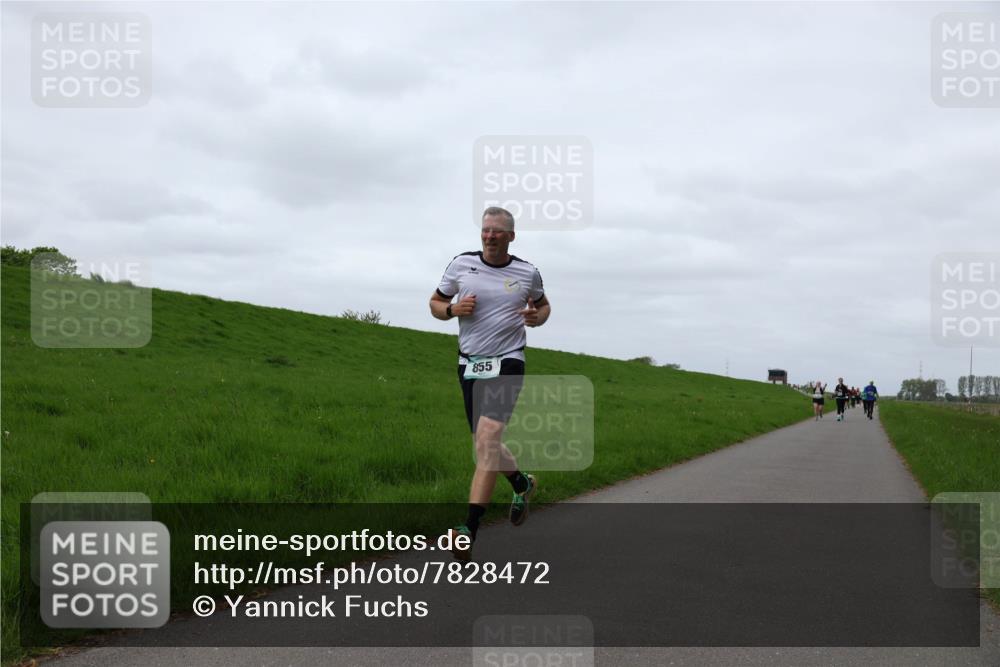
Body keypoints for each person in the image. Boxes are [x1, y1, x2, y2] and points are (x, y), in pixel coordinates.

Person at [429, 207, 551, 560]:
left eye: (498, 231)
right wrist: (452, 311)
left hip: (509, 361)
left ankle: (468, 529)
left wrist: (535, 318)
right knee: (487, 445)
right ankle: (521, 483)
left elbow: (543, 308)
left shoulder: (527, 272)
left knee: (486, 441)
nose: (490, 236)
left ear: (511, 236)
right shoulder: (460, 265)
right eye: (485, 230)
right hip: (469, 364)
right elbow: (436, 302)